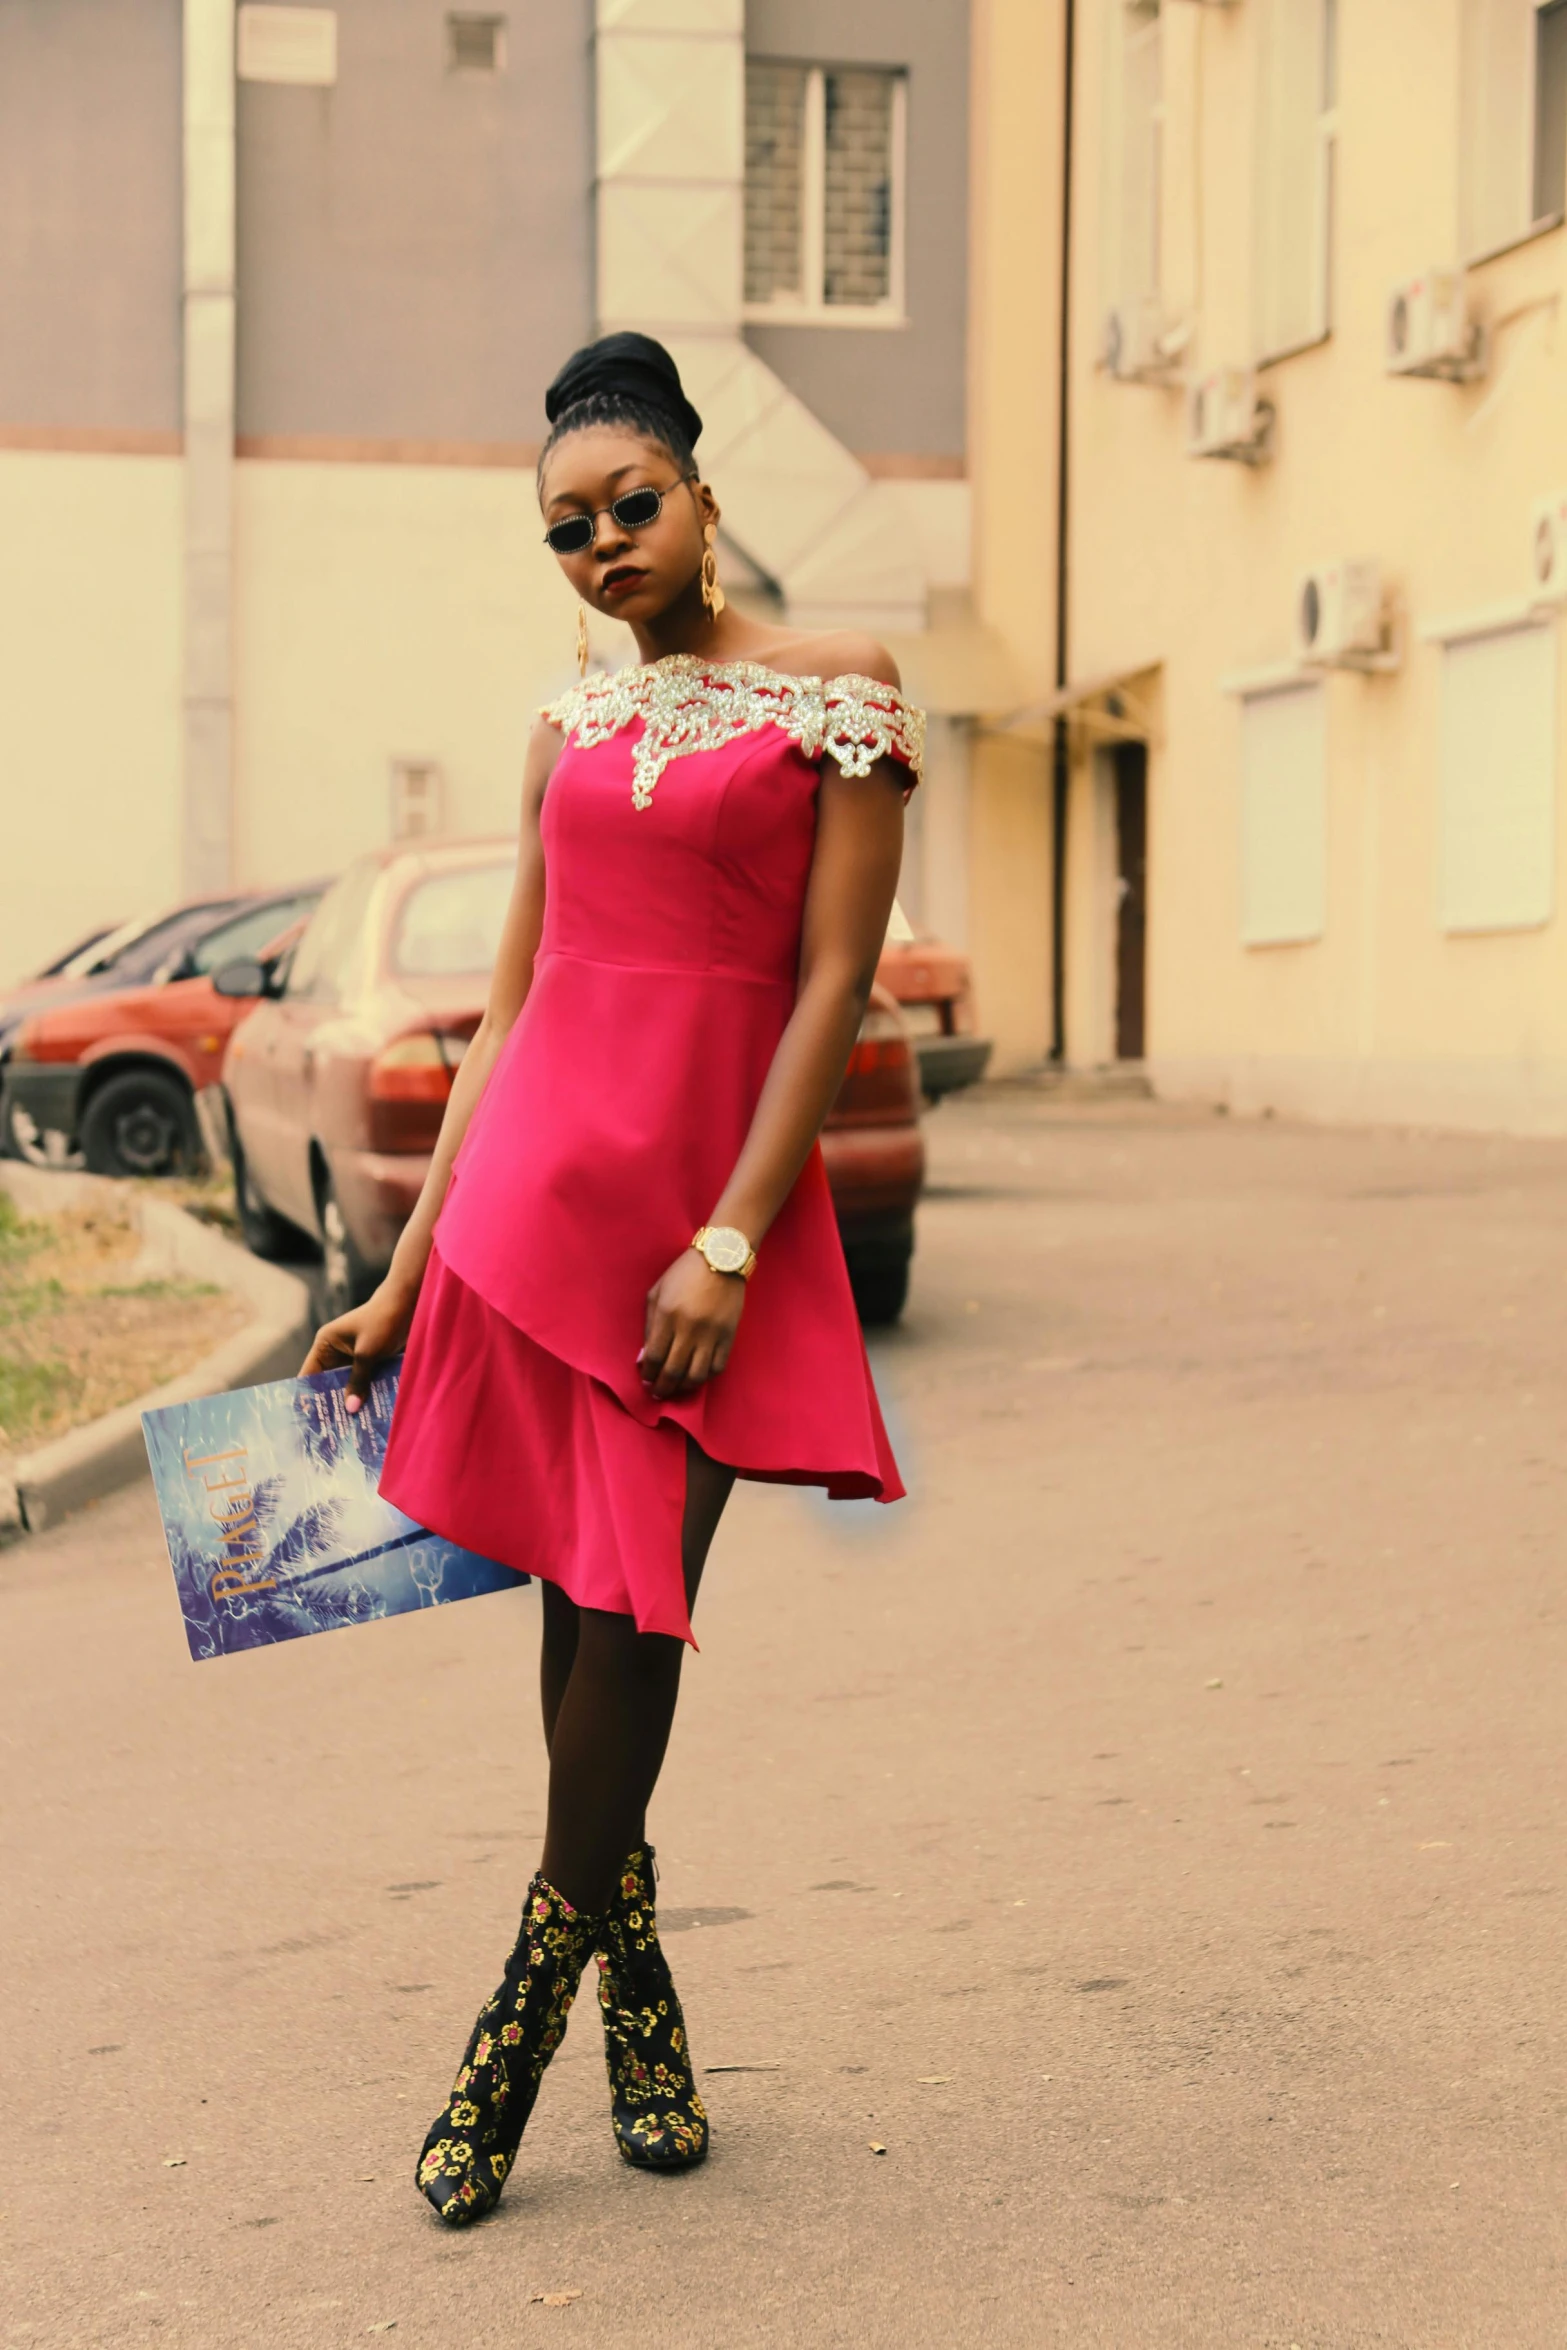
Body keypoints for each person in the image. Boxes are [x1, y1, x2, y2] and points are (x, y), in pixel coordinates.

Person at [301, 331, 924, 2226]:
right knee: (579, 1606)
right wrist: (403, 1276)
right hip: (522, 1226)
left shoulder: (841, 692)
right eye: (566, 528)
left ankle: (516, 2021)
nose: (601, 545)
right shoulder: (567, 724)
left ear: (704, 494)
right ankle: (636, 1990)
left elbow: (829, 981)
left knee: (639, 1601)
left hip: (698, 1233)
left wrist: (731, 1237)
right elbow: (509, 1009)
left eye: (630, 504)